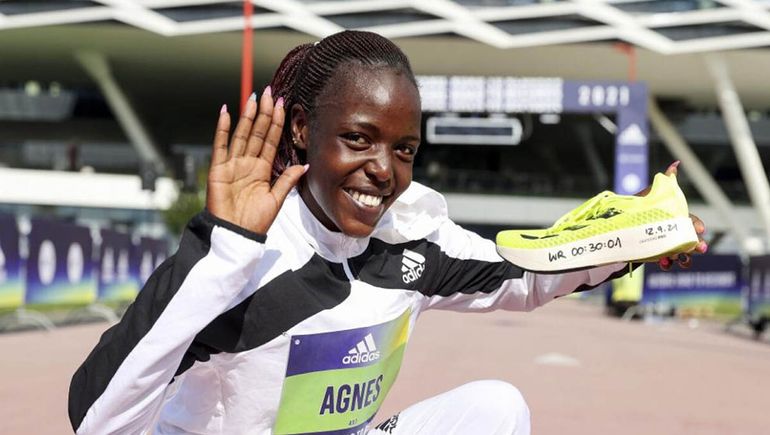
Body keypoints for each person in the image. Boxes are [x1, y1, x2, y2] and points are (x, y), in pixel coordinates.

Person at [68, 30, 707, 435]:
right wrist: (222, 248)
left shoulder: (412, 235)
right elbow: (95, 420)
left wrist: (634, 241)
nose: (383, 170)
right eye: (358, 138)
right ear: (301, 133)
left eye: (404, 148)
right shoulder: (244, 254)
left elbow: (523, 274)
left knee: (496, 408)